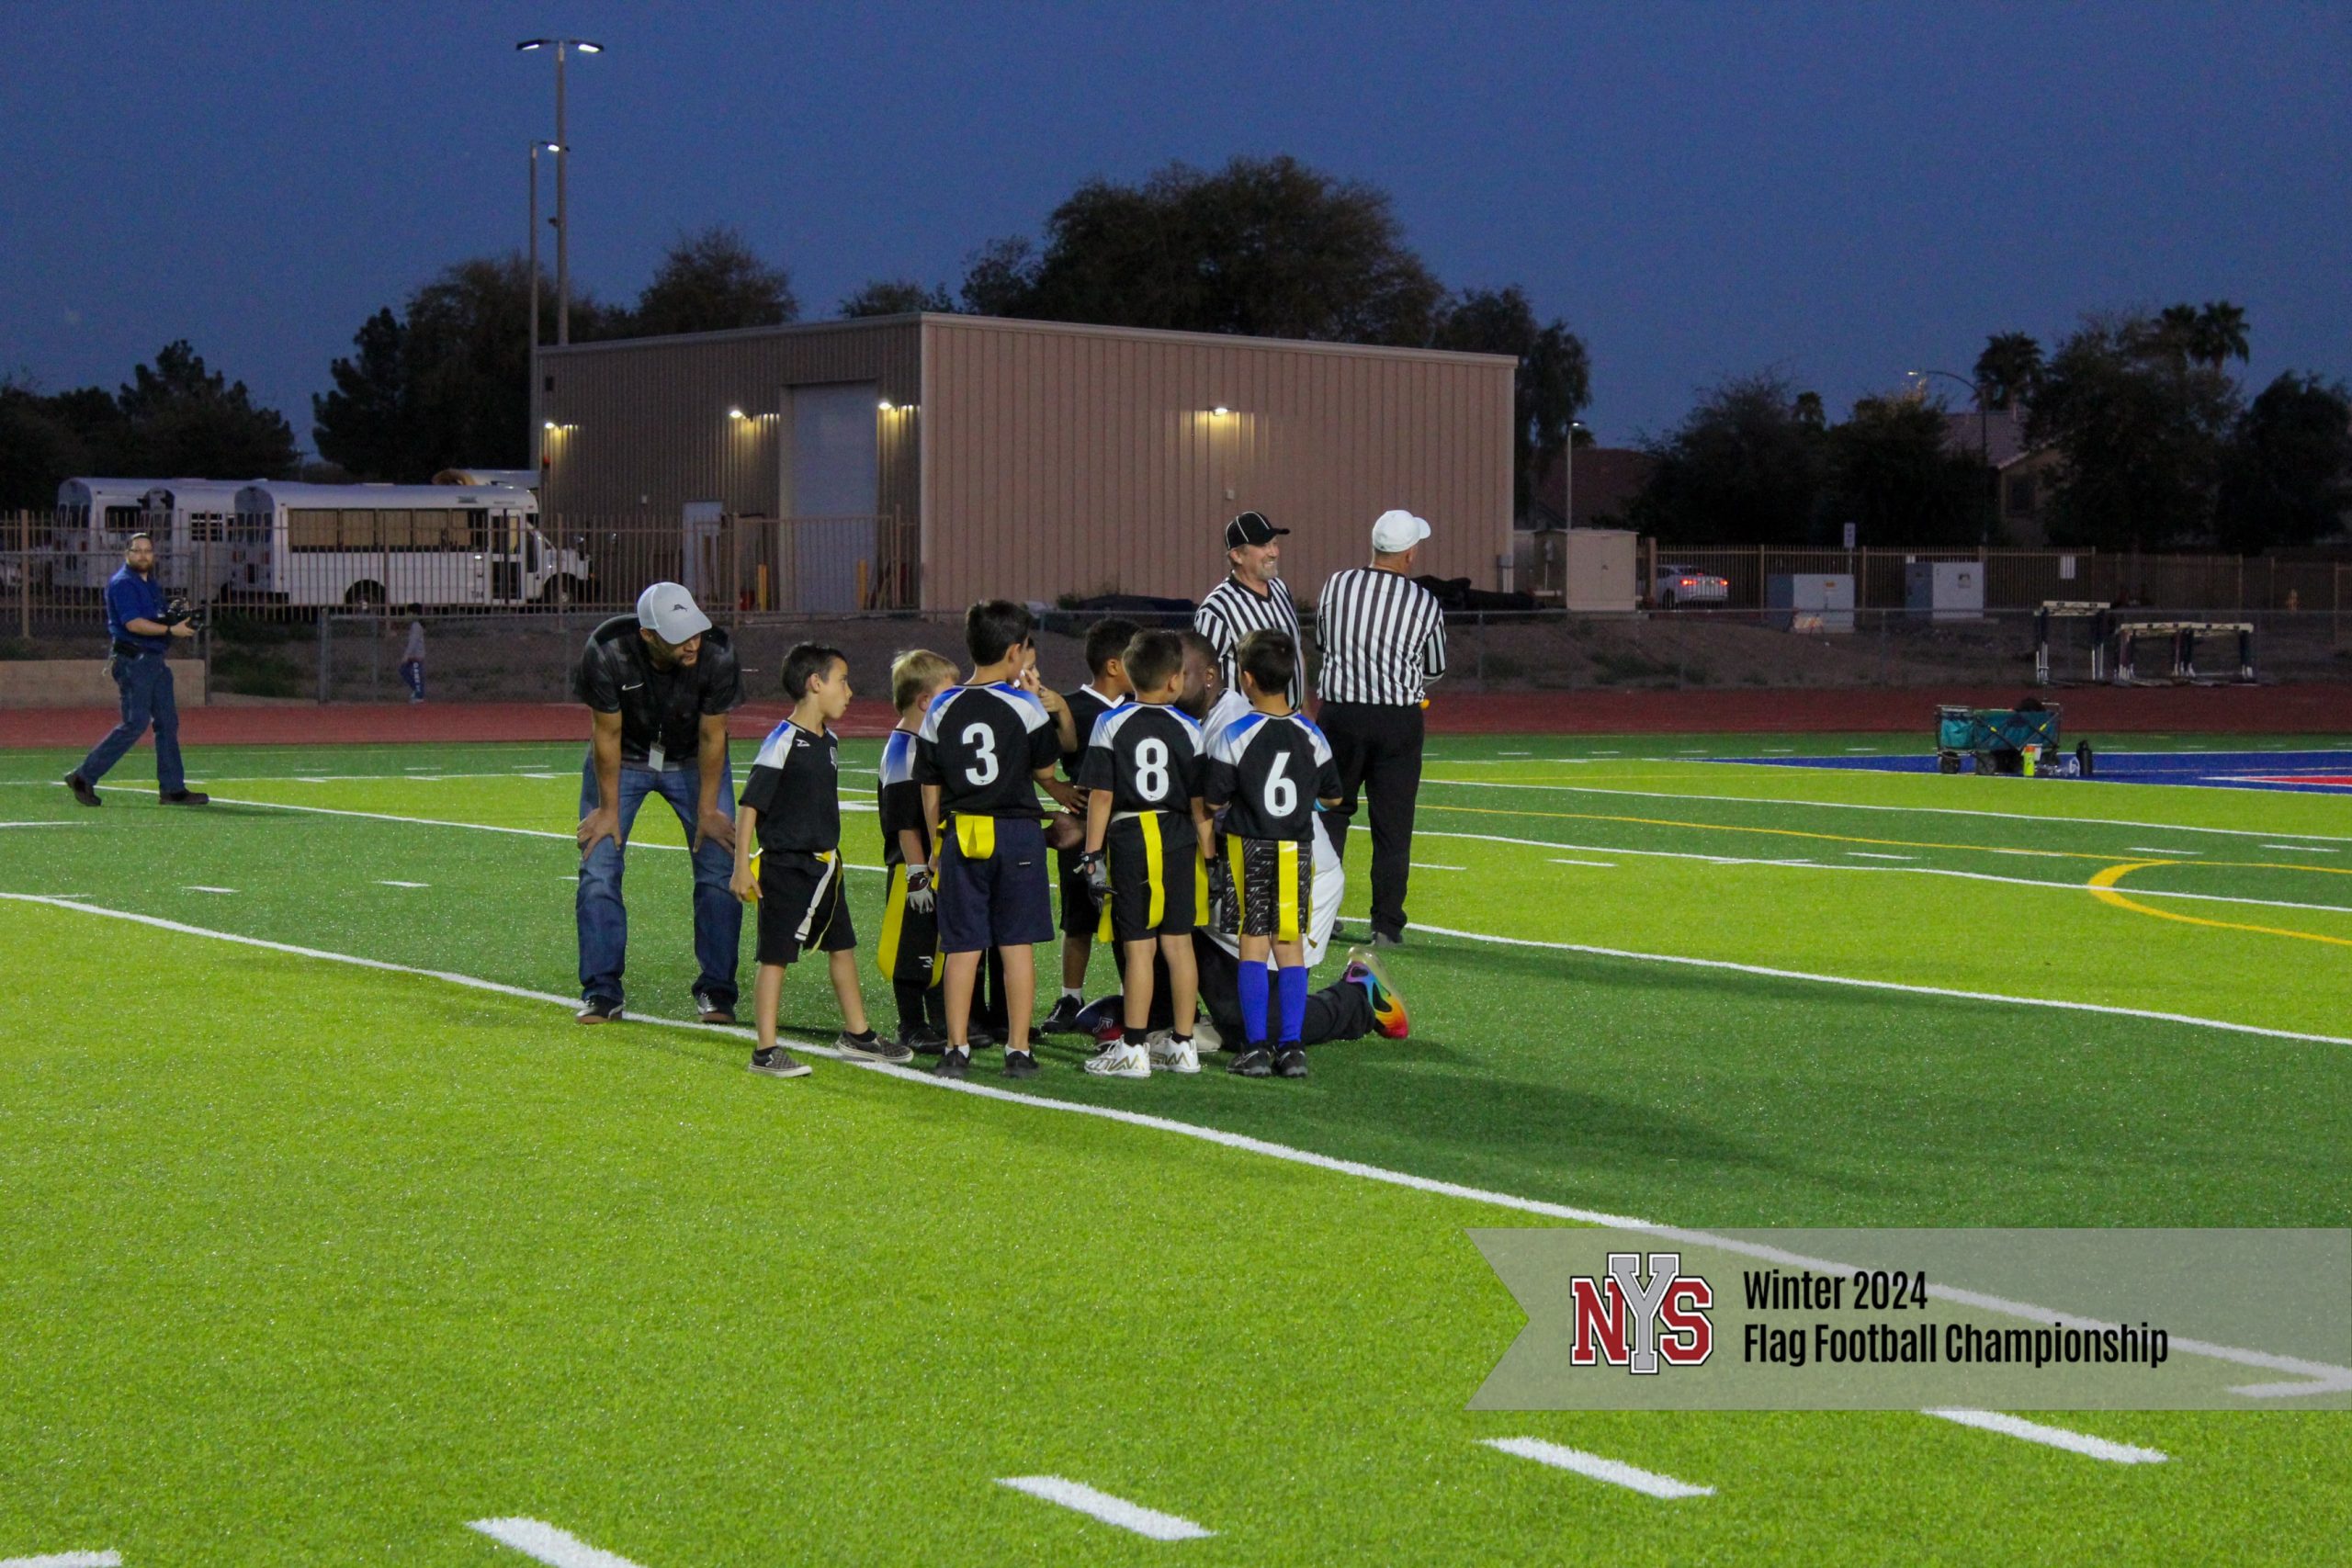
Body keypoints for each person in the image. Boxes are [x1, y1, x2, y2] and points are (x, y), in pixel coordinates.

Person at [915, 600, 1080, 1079]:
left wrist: (935, 847)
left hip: (963, 832)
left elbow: (930, 788)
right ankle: (1018, 1049)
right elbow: (1046, 769)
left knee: (962, 945)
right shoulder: (1025, 706)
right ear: (1014, 652)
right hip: (1017, 834)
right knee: (1016, 945)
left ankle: (956, 1047)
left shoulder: (942, 706)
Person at [730, 645, 911, 1077]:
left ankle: (858, 1034)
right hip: (788, 866)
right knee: (775, 956)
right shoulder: (782, 741)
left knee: (842, 946)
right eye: (842, 680)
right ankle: (765, 1051)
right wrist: (741, 866)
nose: (848, 691)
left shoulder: (827, 740)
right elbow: (750, 804)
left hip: (827, 866)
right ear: (815, 683)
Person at [572, 581, 744, 1026]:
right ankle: (602, 990)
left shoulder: (718, 654)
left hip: (694, 760)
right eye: (678, 635)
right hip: (623, 760)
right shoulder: (607, 650)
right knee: (599, 867)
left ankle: (717, 990)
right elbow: (605, 735)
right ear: (648, 634)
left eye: (695, 630)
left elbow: (713, 736)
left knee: (719, 867)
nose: (692, 642)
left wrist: (709, 810)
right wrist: (607, 810)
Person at [1202, 629, 1341, 1078]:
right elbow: (1334, 797)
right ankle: (1293, 1047)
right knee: (1290, 945)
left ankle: (1257, 1046)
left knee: (1252, 945)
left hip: (1250, 846)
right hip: (1296, 848)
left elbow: (1215, 799)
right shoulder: (1311, 734)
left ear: (1245, 679)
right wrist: (1308, 802)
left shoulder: (1236, 734)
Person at [1075, 629, 1211, 1078]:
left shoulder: (1110, 722)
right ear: (1175, 680)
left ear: (1130, 675)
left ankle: (1133, 1046)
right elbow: (1198, 802)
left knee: (1138, 949)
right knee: (1179, 944)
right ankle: (1183, 1045)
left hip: (1130, 836)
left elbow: (1100, 795)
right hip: (1177, 836)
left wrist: (1092, 854)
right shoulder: (1191, 728)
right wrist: (1209, 854)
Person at [1315, 508, 1448, 948]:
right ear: (1409, 554)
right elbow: (1435, 667)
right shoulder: (1424, 602)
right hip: (1396, 720)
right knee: (1392, 826)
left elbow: (1322, 642)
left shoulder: (1338, 585)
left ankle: (1322, 914)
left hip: (1340, 715)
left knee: (1330, 814)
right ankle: (1386, 925)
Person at [1042, 615, 1138, 1036]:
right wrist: (1054, 786)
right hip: (1083, 830)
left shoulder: (1144, 706)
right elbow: (1037, 751)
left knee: (1129, 923)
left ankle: (1132, 999)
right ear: (1116, 665)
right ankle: (1070, 996)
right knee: (1077, 918)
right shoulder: (1071, 707)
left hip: (1131, 833)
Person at [63, 532, 208, 807]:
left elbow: (156, 617)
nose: (143, 555)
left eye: (148, 550)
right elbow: (134, 624)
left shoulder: (150, 583)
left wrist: (176, 615)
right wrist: (170, 628)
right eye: (137, 550)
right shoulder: (123, 584)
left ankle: (173, 789)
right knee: (135, 723)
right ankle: (84, 776)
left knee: (168, 723)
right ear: (127, 554)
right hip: (135, 661)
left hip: (154, 661)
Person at [876, 649, 959, 1054]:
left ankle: (939, 1019)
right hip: (913, 867)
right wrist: (916, 874)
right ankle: (911, 1023)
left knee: (936, 944)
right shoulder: (903, 749)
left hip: (931, 863)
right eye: (949, 693)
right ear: (926, 701)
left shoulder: (922, 744)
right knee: (912, 946)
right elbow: (904, 821)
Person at [1193, 511, 1304, 708]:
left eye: (1274, 543)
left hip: (1290, 719)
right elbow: (1200, 675)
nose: (1273, 552)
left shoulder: (1280, 588)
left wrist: (1305, 711)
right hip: (1245, 727)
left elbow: (1296, 652)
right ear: (1237, 555)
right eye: (1263, 545)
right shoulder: (1217, 609)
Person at [400, 618, 427, 704]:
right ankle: (417, 691)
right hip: (413, 656)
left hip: (416, 656)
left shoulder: (416, 626)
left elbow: (413, 642)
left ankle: (419, 695)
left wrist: (406, 655)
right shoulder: (414, 627)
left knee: (416, 674)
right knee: (404, 670)